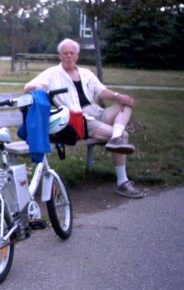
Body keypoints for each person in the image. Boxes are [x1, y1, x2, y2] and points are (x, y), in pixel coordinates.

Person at [24, 38, 143, 199]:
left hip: (96, 112)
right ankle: (122, 182)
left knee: (128, 103)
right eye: (65, 53)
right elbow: (27, 87)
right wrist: (40, 88)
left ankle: (115, 136)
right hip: (80, 120)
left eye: (72, 53)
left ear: (77, 56)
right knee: (124, 136)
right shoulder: (52, 74)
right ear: (60, 55)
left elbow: (102, 91)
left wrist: (118, 96)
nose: (69, 56)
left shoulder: (86, 73)